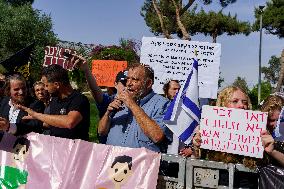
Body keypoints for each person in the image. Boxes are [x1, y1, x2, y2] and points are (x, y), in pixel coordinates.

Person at [193, 85, 258, 188]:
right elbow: (198, 158)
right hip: (218, 182)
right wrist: (197, 146)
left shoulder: (257, 129)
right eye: (235, 101)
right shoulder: (209, 126)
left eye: (244, 102)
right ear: (223, 104)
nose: (241, 105)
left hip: (247, 183)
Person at [98, 63, 172, 152]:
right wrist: (107, 113)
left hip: (141, 164)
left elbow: (157, 136)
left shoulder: (162, 104)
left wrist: (132, 104)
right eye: (127, 79)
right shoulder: (119, 100)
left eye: (135, 80)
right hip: (112, 161)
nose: (128, 84)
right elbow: (101, 132)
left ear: (148, 83)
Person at [17, 64, 90, 140]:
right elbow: (53, 123)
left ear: (56, 85)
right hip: (56, 148)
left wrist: (37, 115)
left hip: (76, 149)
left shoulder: (79, 99)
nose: (45, 89)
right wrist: (33, 121)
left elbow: (70, 122)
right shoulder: (54, 100)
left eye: (46, 85)